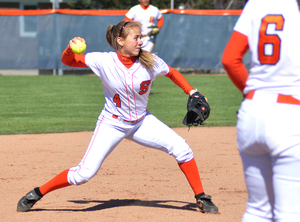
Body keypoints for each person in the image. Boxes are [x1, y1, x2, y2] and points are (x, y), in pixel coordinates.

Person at [17, 21, 218, 214]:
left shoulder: (151, 62)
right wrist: (70, 48)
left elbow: (172, 73)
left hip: (141, 122)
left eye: (141, 37)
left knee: (182, 148)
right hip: (112, 123)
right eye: (136, 37)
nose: (141, 42)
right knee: (84, 174)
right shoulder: (103, 61)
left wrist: (192, 92)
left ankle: (202, 197)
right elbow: (68, 61)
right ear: (120, 41)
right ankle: (37, 193)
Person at [222, 0, 300, 221]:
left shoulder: (257, 3)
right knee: (291, 214)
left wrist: (251, 94)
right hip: (290, 116)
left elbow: (230, 58)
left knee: (258, 210)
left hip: (252, 111)